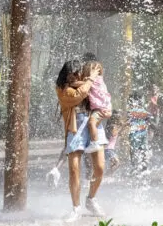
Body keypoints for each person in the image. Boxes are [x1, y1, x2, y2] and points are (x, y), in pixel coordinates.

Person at [55, 58, 100, 221]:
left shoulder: (89, 81)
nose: (73, 77)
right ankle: (76, 208)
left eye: (76, 73)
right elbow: (78, 95)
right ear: (64, 76)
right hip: (75, 129)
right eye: (69, 75)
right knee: (74, 170)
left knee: (100, 168)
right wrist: (89, 80)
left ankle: (91, 199)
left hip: (94, 126)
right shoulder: (62, 89)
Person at [83, 60, 112, 154]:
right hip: (103, 108)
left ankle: (94, 142)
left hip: (100, 109)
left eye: (96, 70)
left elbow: (84, 85)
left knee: (91, 123)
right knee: (93, 123)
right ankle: (95, 142)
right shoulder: (100, 80)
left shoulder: (95, 80)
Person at [128, 92, 152, 175]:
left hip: (134, 134)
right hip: (143, 133)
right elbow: (149, 120)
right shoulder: (144, 111)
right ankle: (144, 168)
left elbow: (127, 122)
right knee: (144, 150)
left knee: (134, 151)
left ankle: (134, 167)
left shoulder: (130, 111)